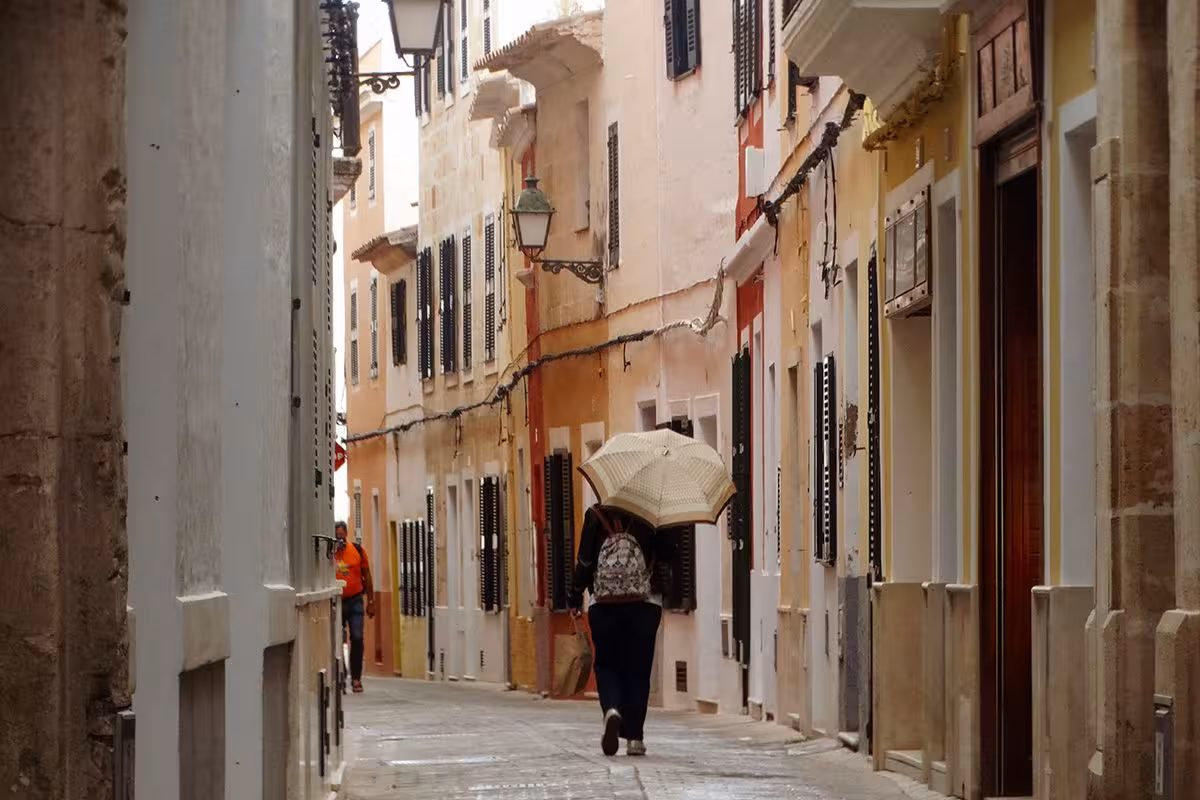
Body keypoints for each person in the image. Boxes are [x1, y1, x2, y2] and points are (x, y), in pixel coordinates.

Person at [568, 505, 674, 757]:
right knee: (639, 669)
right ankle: (635, 738)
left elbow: (585, 561)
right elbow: (667, 558)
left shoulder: (596, 514)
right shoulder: (653, 512)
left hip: (604, 605)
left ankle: (612, 709)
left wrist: (574, 595)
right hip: (645, 604)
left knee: (607, 664)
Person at [335, 521, 375, 693]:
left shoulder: (357, 551)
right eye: (337, 536)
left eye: (342, 536)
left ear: (346, 534)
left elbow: (367, 575)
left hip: (355, 600)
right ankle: (341, 675)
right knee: (336, 639)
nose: (340, 540)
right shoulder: (329, 553)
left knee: (357, 637)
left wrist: (371, 601)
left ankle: (356, 678)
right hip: (335, 601)